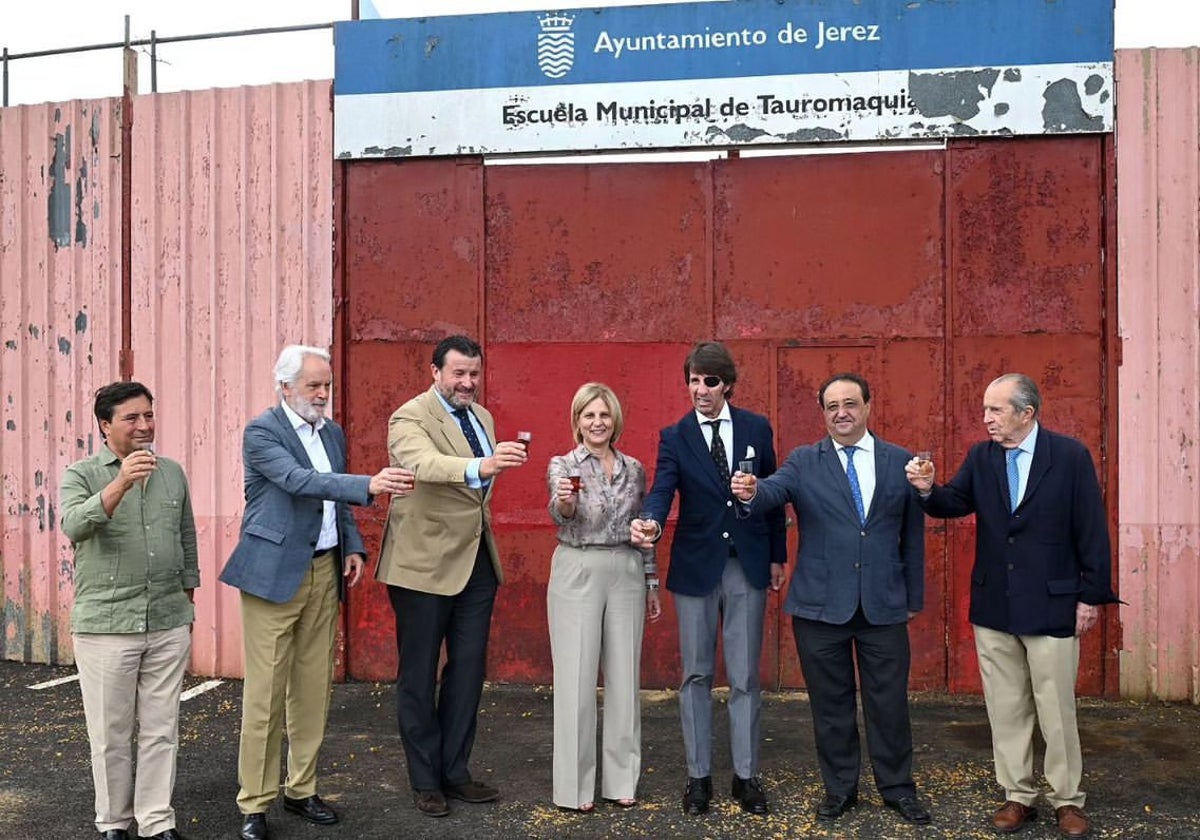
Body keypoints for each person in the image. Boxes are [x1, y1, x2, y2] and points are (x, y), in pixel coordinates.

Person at [905, 373, 1119, 838]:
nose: (986, 419)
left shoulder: (1069, 457)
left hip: (1053, 603)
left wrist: (1089, 595)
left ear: (1027, 413)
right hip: (995, 605)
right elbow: (953, 502)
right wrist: (926, 489)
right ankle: (1017, 795)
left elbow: (1091, 530)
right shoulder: (982, 457)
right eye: (985, 409)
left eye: (996, 410)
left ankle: (1068, 799)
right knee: (1005, 706)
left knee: (1056, 707)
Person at [219, 345, 413, 840]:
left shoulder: (332, 432)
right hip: (272, 574)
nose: (324, 394)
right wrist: (370, 483)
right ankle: (255, 802)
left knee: (311, 689)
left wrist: (350, 544)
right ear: (285, 387)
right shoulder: (263, 431)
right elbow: (299, 481)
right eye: (313, 386)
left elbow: (332, 499)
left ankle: (301, 789)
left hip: (324, 569)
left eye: (326, 385)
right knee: (264, 695)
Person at [731, 373, 931, 826]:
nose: (841, 412)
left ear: (868, 406)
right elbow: (772, 490)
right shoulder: (804, 461)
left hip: (883, 605)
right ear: (822, 413)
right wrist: (751, 491)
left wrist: (912, 597)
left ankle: (898, 789)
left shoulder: (899, 461)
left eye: (850, 403)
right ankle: (841, 789)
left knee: (890, 704)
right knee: (831, 705)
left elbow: (912, 536)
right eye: (832, 406)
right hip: (820, 607)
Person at [630, 341, 787, 817]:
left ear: (728, 385)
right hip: (697, 566)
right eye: (694, 380)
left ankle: (746, 776)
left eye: (710, 381)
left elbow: (774, 493)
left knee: (743, 677)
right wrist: (652, 523)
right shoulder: (674, 436)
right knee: (695, 674)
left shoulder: (757, 427)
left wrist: (777, 555)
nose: (700, 390)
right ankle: (698, 778)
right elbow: (661, 490)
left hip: (747, 561)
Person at [376, 335, 528, 818]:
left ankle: (455, 772)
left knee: (468, 671)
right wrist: (482, 464)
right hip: (421, 566)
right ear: (435, 372)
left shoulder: (482, 417)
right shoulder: (408, 417)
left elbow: (476, 495)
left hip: (477, 562)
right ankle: (425, 781)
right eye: (458, 373)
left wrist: (489, 464)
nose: (468, 382)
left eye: (474, 374)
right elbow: (423, 463)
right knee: (418, 676)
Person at [60, 381, 197, 840]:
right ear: (105, 425)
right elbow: (75, 526)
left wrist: (186, 597)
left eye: (149, 416)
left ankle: (157, 820)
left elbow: (186, 538)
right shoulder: (81, 474)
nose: (144, 425)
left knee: (161, 730)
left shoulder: (172, 472)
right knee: (111, 734)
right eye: (131, 418)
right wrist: (121, 481)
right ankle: (114, 822)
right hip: (106, 626)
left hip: (166, 620)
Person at [546, 383, 663, 812]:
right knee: (575, 680)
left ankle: (621, 781)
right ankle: (574, 788)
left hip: (627, 569)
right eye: (589, 415)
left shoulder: (634, 469)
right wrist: (566, 502)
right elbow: (562, 512)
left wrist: (651, 583)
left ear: (615, 420)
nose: (597, 423)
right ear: (576, 420)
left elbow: (644, 529)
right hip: (578, 566)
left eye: (604, 415)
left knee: (624, 678)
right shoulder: (562, 465)